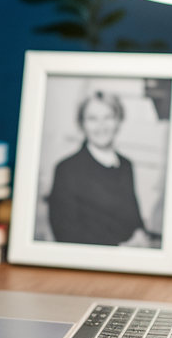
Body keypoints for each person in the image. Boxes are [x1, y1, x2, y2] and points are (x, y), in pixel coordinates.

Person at [47, 91, 149, 246]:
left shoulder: (126, 165)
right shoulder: (66, 169)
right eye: (92, 119)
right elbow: (65, 235)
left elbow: (135, 220)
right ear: (82, 124)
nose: (101, 126)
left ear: (118, 120)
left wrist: (140, 234)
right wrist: (119, 249)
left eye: (108, 117)